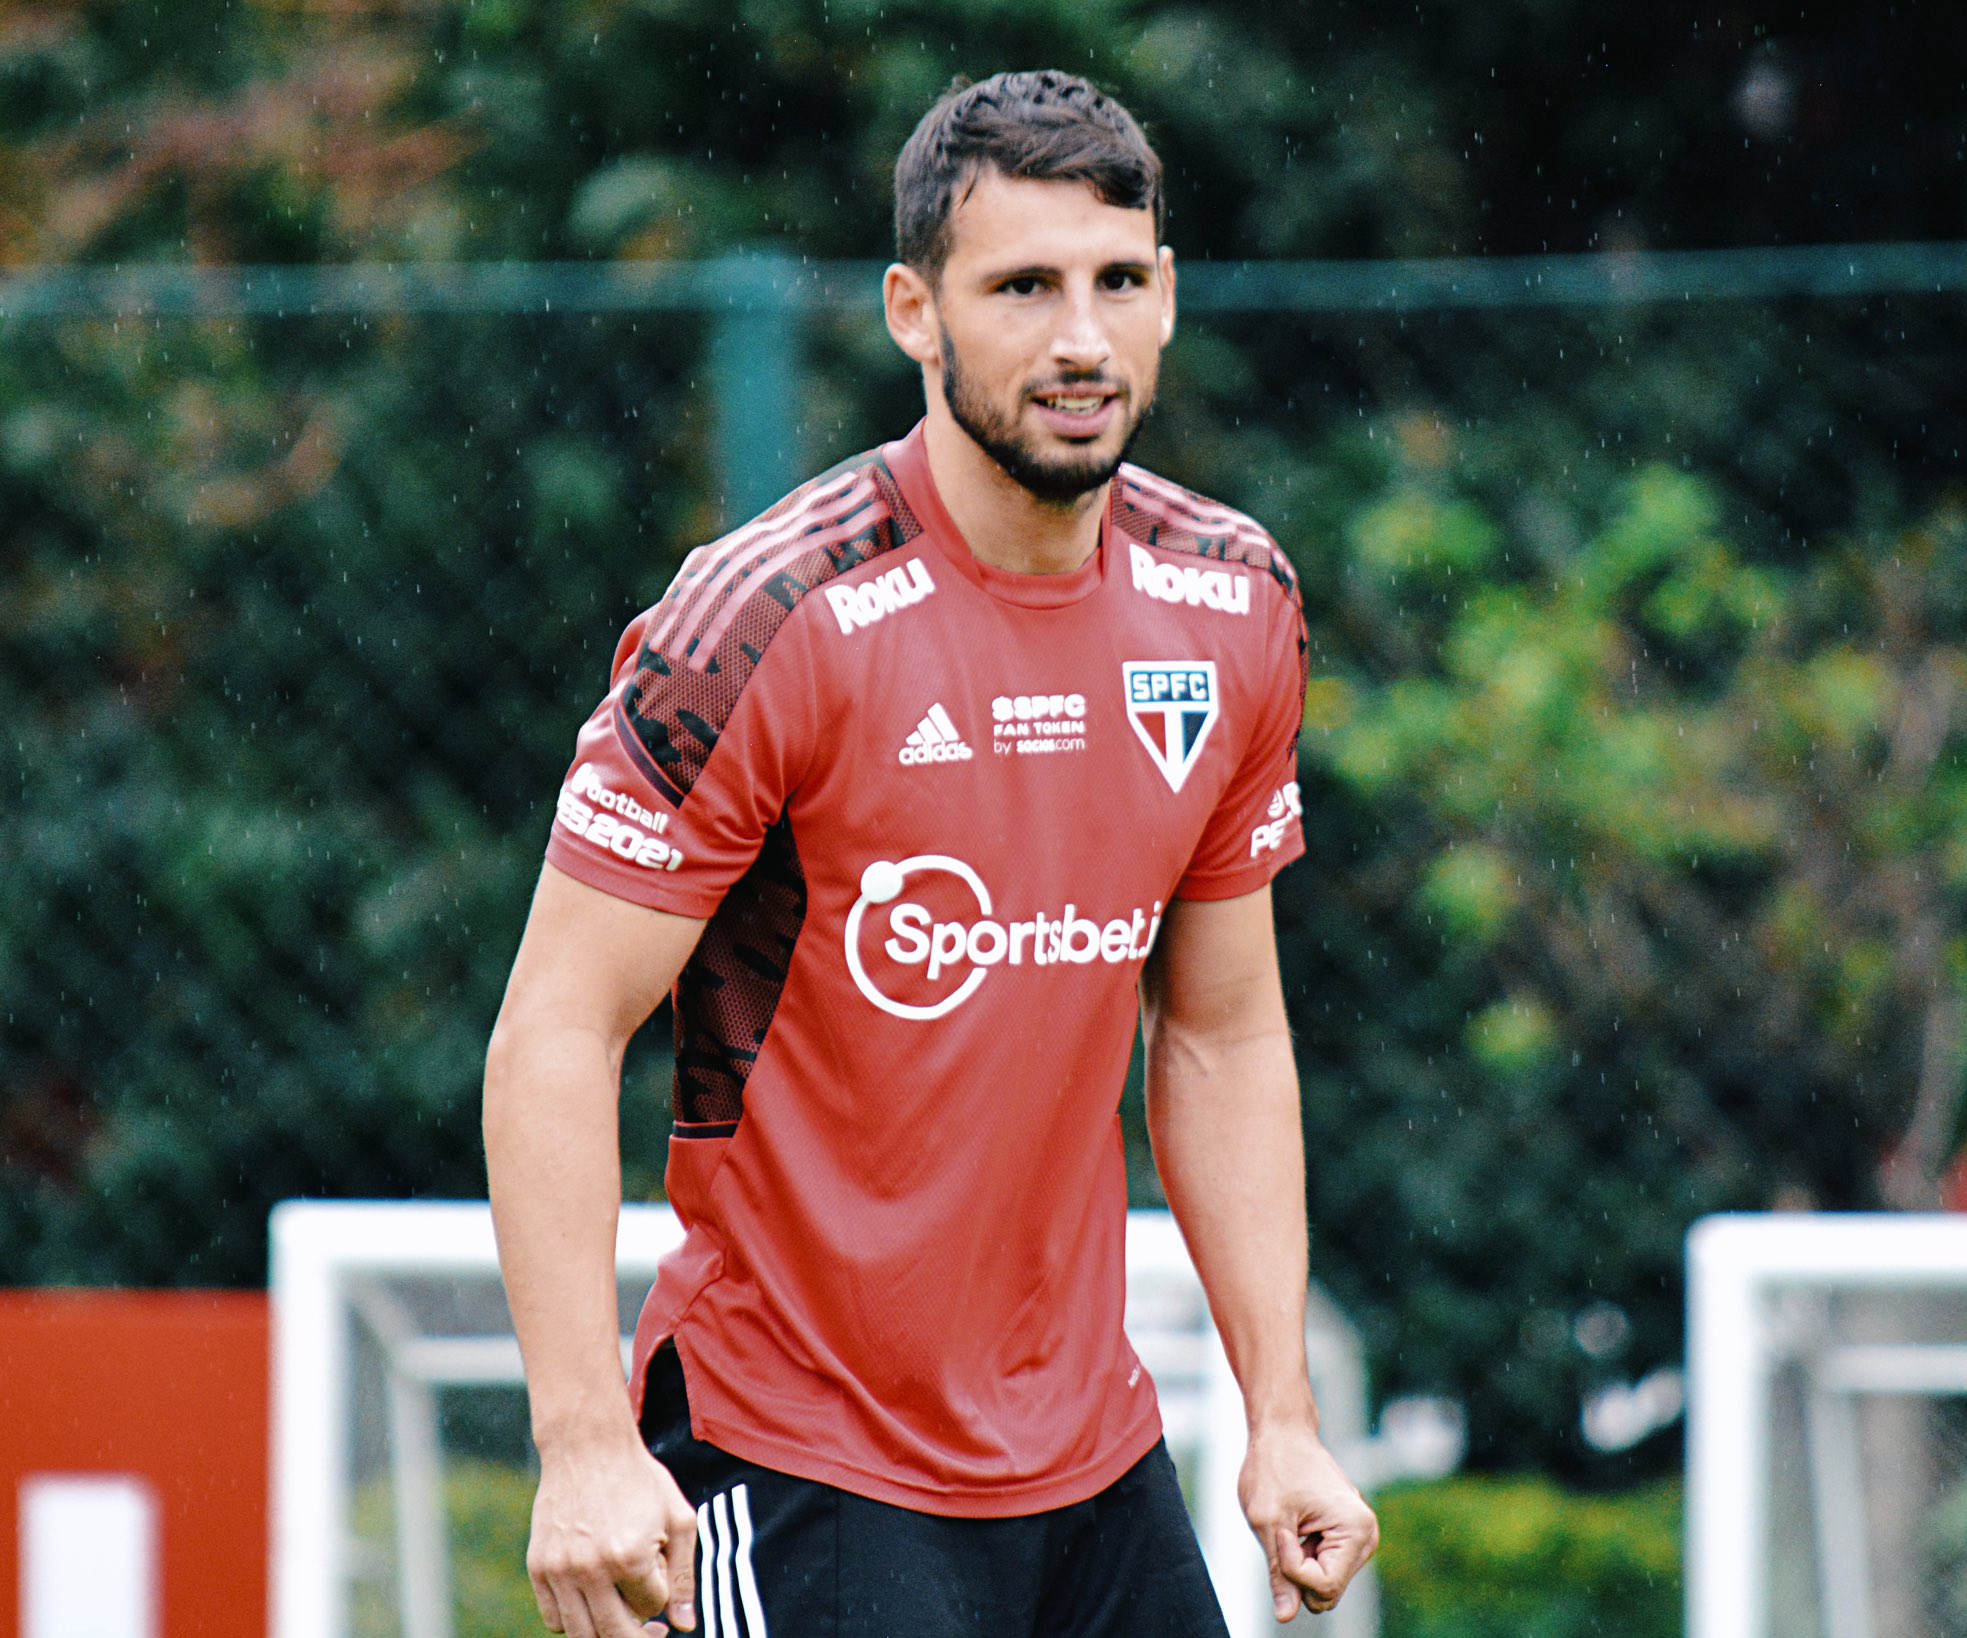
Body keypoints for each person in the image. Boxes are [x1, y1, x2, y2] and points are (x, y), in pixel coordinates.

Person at [483, 68, 1378, 1638]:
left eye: (1117, 281)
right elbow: (556, 1030)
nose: (1081, 339)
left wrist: (1282, 1412)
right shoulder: (766, 619)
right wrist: (580, 1444)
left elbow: (1226, 1033)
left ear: (1167, 298)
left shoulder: (1236, 605)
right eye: (1022, 288)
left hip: (1091, 1453)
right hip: (797, 1448)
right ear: (915, 311)